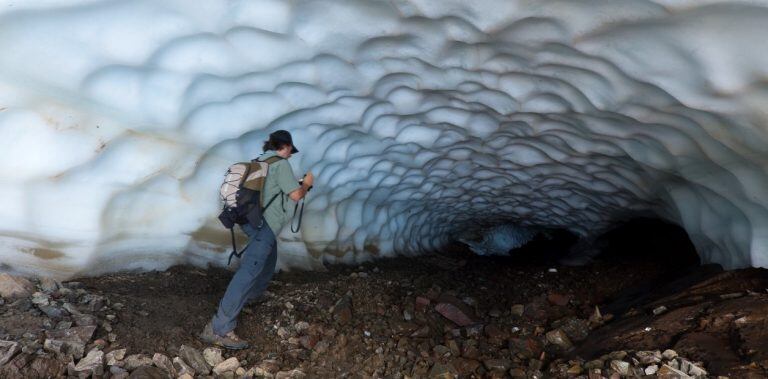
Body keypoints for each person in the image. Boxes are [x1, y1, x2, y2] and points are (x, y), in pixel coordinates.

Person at [200, 130, 314, 349]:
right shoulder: (280, 165)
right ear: (286, 147)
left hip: (252, 221)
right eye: (290, 151)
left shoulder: (260, 162)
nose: (291, 155)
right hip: (266, 225)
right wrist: (306, 183)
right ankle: (219, 328)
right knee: (250, 270)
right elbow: (296, 195)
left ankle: (251, 296)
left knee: (269, 258)